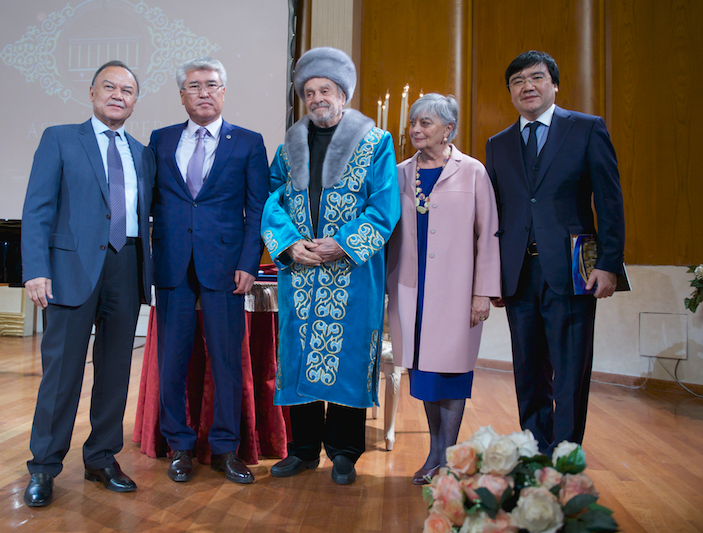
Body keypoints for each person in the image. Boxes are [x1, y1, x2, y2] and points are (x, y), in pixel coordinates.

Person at [261, 47, 400, 486]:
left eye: (325, 90)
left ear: (343, 93)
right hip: (301, 271)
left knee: (349, 354)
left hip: (352, 273)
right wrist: (288, 243)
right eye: (309, 92)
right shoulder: (289, 148)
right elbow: (271, 201)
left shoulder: (375, 142)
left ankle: (344, 452)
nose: (317, 98)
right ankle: (302, 450)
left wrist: (342, 244)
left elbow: (384, 207)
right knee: (299, 354)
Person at [21, 60, 153, 507]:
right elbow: (38, 208)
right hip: (69, 270)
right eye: (109, 87)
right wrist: (35, 269)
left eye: (127, 91)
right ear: (92, 93)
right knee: (61, 373)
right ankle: (44, 467)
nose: (118, 95)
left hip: (126, 267)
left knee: (114, 372)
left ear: (134, 102)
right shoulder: (59, 138)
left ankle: (101, 458)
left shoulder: (142, 153)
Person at [485, 51, 625, 453]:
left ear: (554, 85)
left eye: (536, 78)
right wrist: (492, 275)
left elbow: (609, 201)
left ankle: (564, 455)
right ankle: (534, 449)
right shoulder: (498, 144)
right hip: (518, 274)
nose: (527, 86)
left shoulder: (586, 128)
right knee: (527, 370)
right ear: (510, 92)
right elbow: (495, 213)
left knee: (570, 370)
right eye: (517, 81)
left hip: (573, 269)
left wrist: (609, 264)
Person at [148, 57, 269, 485]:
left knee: (226, 361)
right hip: (172, 264)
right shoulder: (161, 140)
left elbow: (257, 208)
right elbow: (150, 202)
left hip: (226, 267)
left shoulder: (249, 142)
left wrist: (248, 262)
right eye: (194, 86)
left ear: (224, 91)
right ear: (182, 95)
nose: (204, 92)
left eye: (211, 85)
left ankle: (225, 448)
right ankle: (179, 445)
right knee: (173, 361)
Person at [386, 93, 501, 484]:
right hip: (411, 291)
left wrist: (482, 292)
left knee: (451, 373)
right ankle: (436, 454)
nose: (416, 130)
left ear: (448, 129)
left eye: (426, 123)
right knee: (425, 375)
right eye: (413, 123)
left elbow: (489, 235)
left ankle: (447, 458)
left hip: (456, 293)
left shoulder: (473, 172)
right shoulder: (400, 173)